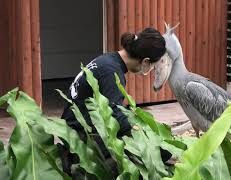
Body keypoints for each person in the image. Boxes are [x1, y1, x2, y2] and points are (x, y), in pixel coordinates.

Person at [58, 28, 167, 177]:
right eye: (153, 65)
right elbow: (114, 116)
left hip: (72, 124)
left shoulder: (109, 60)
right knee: (132, 154)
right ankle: (75, 164)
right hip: (79, 133)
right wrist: (147, 139)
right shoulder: (112, 72)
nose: (152, 69)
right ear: (146, 61)